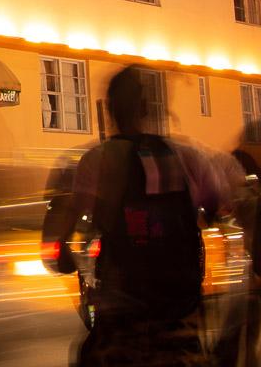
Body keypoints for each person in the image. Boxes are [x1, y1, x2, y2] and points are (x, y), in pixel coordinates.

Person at [47, 68, 231, 367]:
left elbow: (64, 250)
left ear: (109, 110)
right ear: (144, 107)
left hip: (121, 314)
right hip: (179, 310)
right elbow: (217, 210)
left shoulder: (97, 161)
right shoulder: (189, 157)